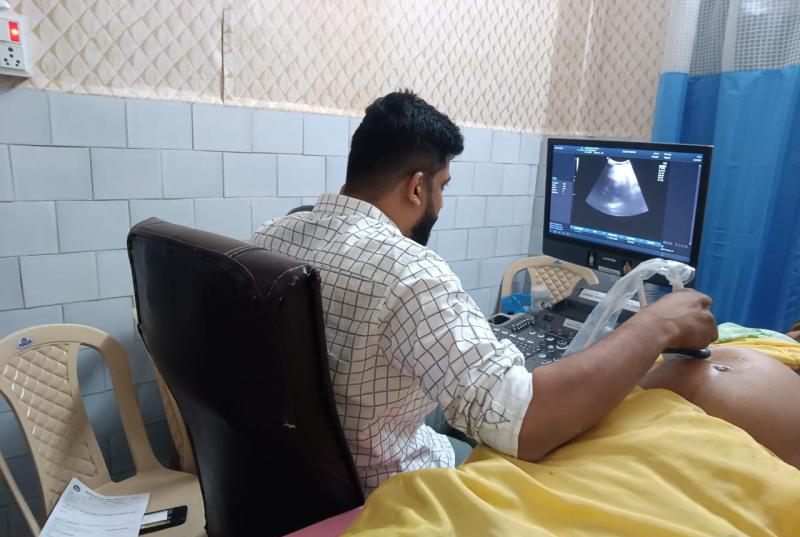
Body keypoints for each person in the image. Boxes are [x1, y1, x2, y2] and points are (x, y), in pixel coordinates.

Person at [251, 91, 719, 493]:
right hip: (380, 488)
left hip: (295, 470)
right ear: (417, 188)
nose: (441, 202)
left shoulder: (270, 236)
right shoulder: (412, 274)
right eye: (442, 186)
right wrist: (657, 324)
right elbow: (527, 425)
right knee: (537, 462)